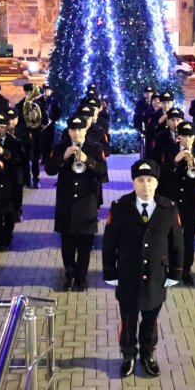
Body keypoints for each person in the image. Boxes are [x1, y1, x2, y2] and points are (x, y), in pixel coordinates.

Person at [102, 159, 183, 378]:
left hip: (156, 276)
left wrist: (175, 272)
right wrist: (110, 272)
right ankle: (128, 355)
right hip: (128, 275)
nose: (145, 185)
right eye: (140, 180)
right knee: (128, 319)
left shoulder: (168, 208)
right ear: (133, 182)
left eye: (150, 180)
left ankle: (148, 354)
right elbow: (109, 243)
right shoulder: (120, 207)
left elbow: (177, 243)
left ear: (156, 183)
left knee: (150, 319)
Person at [46, 116, 108, 291]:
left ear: (85, 130)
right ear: (69, 131)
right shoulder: (60, 147)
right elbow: (50, 170)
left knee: (84, 244)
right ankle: (70, 274)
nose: (77, 133)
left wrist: (88, 160)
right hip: (66, 202)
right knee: (67, 243)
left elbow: (103, 173)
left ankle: (82, 277)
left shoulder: (95, 148)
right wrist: (63, 157)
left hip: (86, 202)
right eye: (73, 130)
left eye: (80, 129)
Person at [159, 121, 195, 286]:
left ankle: (186, 271)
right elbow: (161, 175)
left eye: (190, 136)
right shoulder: (168, 151)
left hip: (191, 201)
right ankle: (169, 269)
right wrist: (175, 161)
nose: (187, 139)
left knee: (188, 239)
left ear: (194, 137)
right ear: (178, 136)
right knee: (169, 237)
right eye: (184, 136)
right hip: (172, 200)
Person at [0, 112, 24, 252]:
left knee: (8, 214)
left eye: (2, 127)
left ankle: (6, 239)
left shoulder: (13, 141)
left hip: (9, 183)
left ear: (6, 127)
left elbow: (20, 158)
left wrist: (5, 153)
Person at [16, 83, 49, 189]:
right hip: (24, 135)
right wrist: (26, 119)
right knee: (24, 159)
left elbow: (45, 121)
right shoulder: (19, 105)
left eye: (31, 92)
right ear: (24, 92)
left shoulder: (39, 104)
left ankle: (36, 179)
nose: (29, 94)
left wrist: (36, 119)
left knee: (35, 159)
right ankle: (26, 180)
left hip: (36, 135)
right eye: (27, 92)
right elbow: (16, 122)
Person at [40, 83, 61, 163]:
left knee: (50, 141)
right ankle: (43, 157)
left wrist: (53, 119)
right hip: (42, 125)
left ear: (51, 91)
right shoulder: (40, 100)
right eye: (45, 90)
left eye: (48, 90)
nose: (46, 91)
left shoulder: (54, 101)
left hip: (51, 124)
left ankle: (48, 157)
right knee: (42, 141)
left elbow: (58, 112)